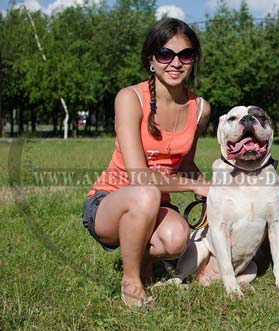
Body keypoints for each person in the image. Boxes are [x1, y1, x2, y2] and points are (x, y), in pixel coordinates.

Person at [81, 18, 211, 308]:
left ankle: (143, 262)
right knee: (146, 190)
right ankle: (131, 282)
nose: (176, 63)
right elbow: (140, 177)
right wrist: (196, 185)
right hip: (109, 202)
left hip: (156, 204)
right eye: (166, 54)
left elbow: (186, 163)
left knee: (177, 239)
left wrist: (213, 190)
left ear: (193, 60)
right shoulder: (130, 98)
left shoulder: (200, 109)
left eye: (185, 55)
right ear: (151, 60)